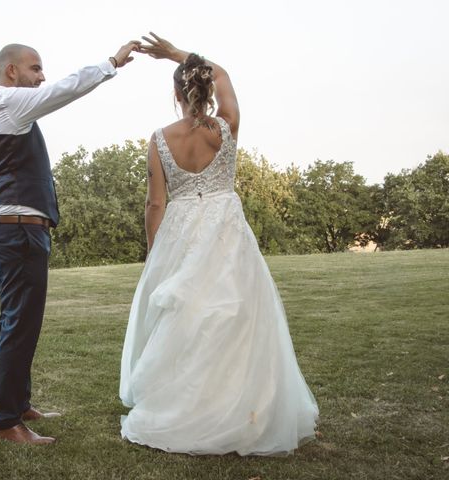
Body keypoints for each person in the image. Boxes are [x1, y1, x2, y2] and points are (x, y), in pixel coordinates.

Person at [119, 33, 319, 455]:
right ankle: (236, 403)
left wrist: (155, 252)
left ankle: (182, 403)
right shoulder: (226, 127)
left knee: (185, 316)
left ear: (176, 94)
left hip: (180, 227)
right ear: (207, 90)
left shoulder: (158, 138)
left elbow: (155, 202)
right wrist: (177, 54)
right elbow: (223, 73)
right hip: (225, 226)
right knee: (234, 314)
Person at [0, 40, 140, 445]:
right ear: (11, 72)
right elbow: (65, 89)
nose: (42, 76)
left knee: (16, 321)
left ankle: (18, 404)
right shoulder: (9, 101)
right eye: (35, 68)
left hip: (8, 227)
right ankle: (4, 422)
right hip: (18, 229)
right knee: (19, 323)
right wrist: (111, 63)